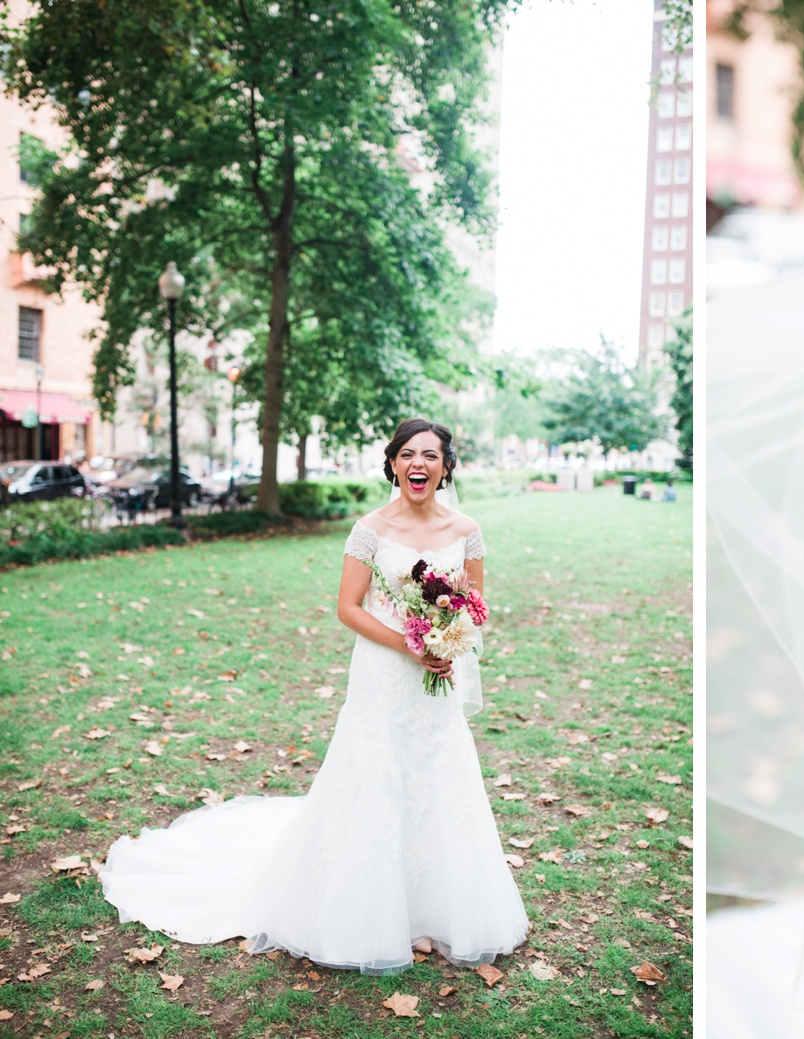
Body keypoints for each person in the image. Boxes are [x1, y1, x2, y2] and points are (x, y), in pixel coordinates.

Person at [99, 417, 528, 975]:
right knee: (376, 773)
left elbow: (475, 605)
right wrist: (411, 643)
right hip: (383, 670)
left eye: (429, 455)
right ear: (393, 464)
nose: (417, 464)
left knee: (436, 772)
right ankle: (372, 908)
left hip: (436, 676)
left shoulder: (466, 530)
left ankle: (433, 908)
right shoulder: (369, 530)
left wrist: (448, 642)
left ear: (446, 467)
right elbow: (349, 607)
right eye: (406, 455)